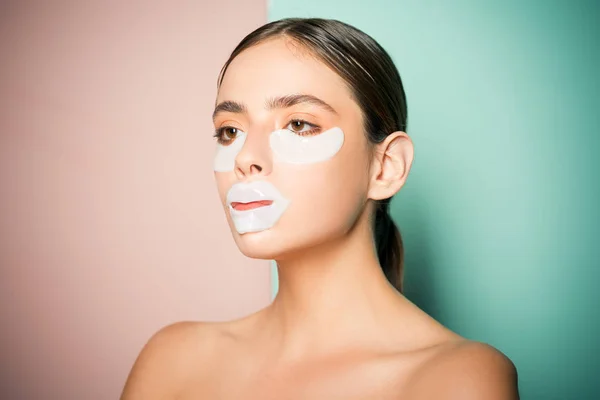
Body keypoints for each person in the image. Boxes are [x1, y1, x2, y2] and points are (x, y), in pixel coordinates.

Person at [121, 18, 519, 399]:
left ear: (386, 167)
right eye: (230, 130)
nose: (246, 157)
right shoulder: (172, 360)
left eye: (298, 124)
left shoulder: (458, 378)